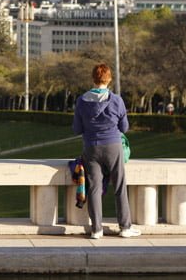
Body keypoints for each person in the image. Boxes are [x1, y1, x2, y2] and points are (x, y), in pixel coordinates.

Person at [72, 63, 141, 239]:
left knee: (94, 187)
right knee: (119, 186)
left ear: (93, 79)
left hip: (91, 147)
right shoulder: (116, 100)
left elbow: (77, 129)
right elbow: (124, 127)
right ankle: (125, 227)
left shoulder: (81, 101)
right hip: (113, 146)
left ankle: (96, 229)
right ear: (109, 79)